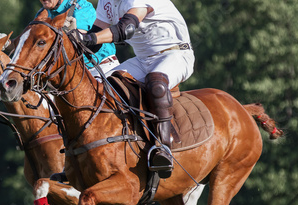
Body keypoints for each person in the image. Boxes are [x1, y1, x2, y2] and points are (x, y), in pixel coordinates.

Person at [76, 0, 195, 178]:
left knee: (156, 84)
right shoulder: (105, 2)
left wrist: (88, 38)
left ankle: (163, 149)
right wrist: (72, 44)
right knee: (105, 87)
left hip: (175, 53)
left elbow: (126, 28)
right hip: (142, 60)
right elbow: (96, 34)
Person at [37, 0, 120, 77]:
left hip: (101, 67)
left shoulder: (81, 6)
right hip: (72, 74)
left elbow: (80, 40)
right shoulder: (41, 14)